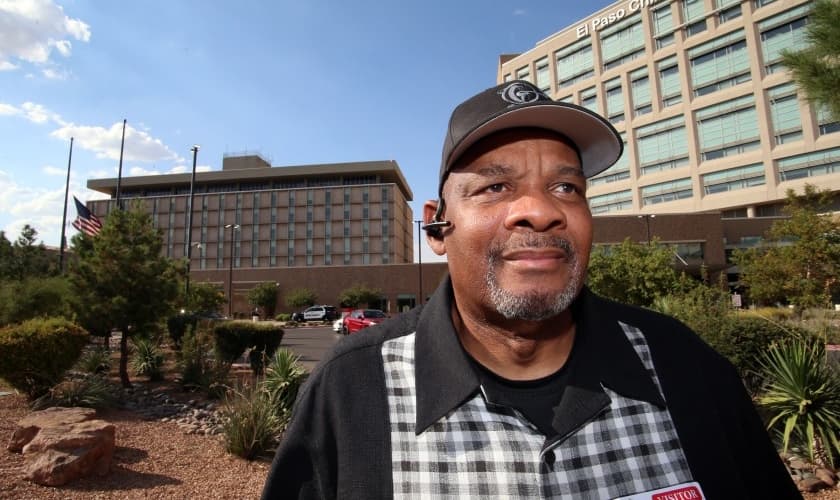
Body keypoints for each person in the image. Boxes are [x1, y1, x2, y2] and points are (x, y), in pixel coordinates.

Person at [262, 81, 800, 499]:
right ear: (436, 226)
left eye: (566, 187)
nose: (542, 211)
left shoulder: (687, 367)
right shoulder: (351, 388)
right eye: (496, 186)